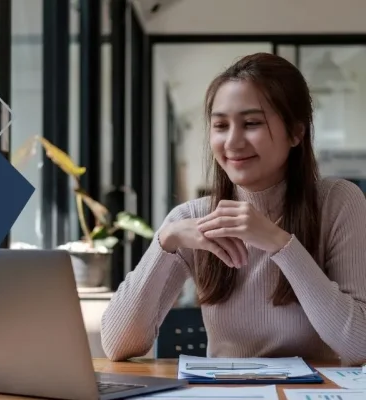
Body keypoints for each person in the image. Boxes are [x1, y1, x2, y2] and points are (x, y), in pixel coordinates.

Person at [100, 52, 366, 366]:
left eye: (251, 123)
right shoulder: (192, 219)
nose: (232, 142)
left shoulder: (338, 202)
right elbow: (117, 346)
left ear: (296, 132)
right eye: (221, 126)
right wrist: (165, 242)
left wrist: (280, 244)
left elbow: (358, 346)